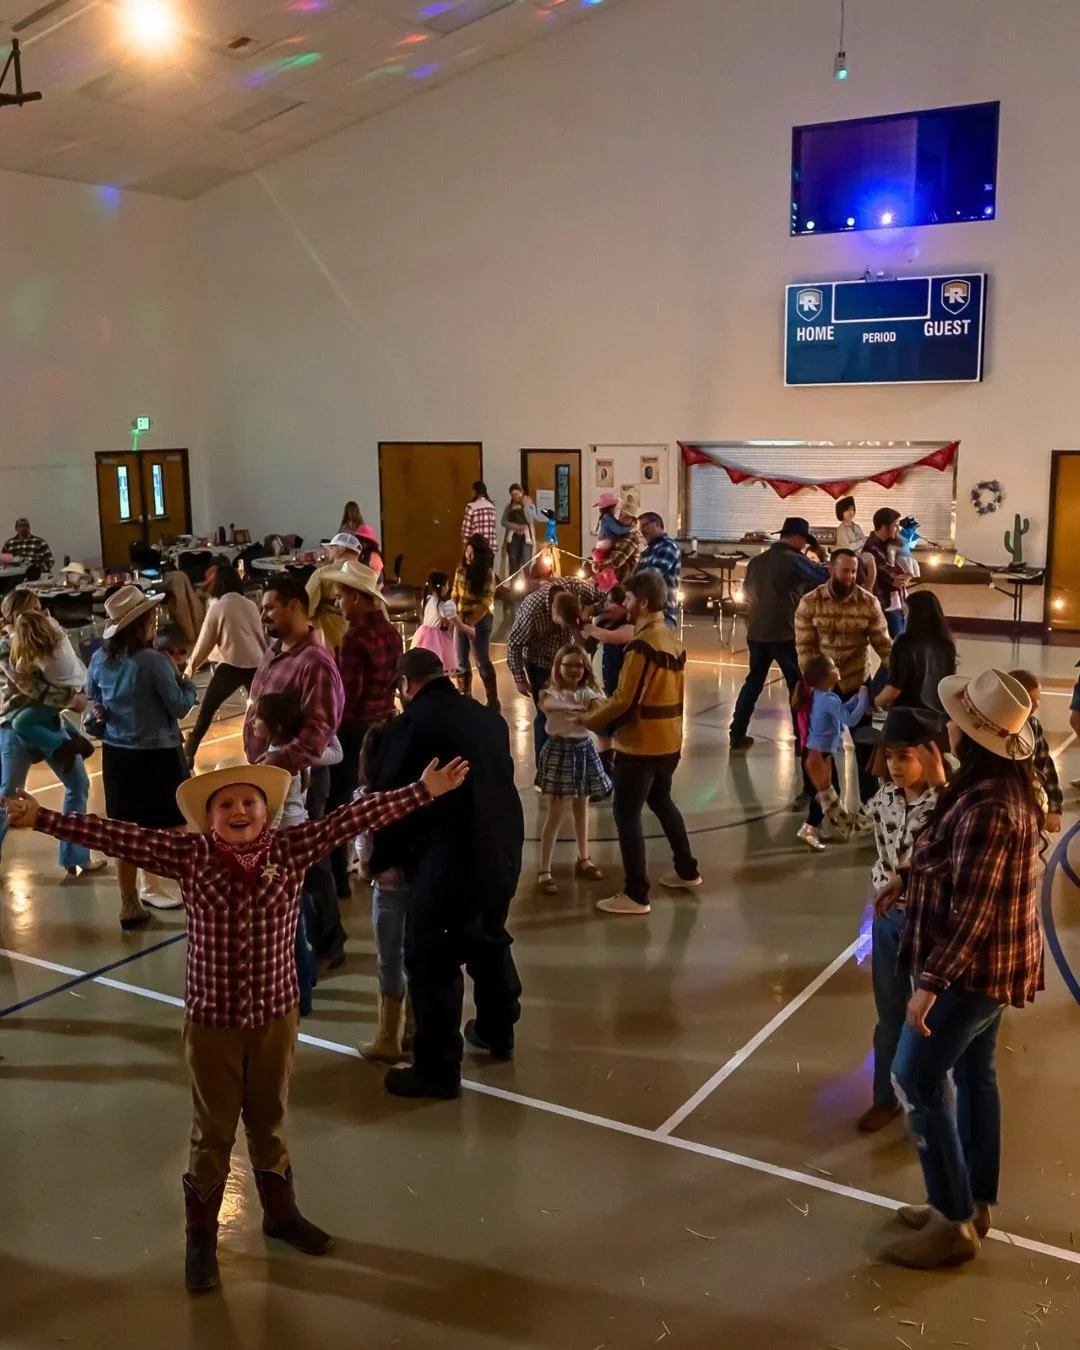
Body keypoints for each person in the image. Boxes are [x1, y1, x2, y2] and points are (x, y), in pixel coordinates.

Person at [3, 754, 467, 1292]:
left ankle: (281, 1214)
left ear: (266, 812)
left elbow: (351, 818)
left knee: (270, 1119)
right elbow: (118, 837)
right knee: (215, 1130)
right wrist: (43, 819)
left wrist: (423, 789)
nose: (240, 810)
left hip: (274, 1016)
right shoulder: (189, 854)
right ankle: (201, 1239)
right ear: (209, 816)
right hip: (212, 1022)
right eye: (226, 804)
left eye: (250, 802)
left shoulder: (290, 850)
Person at [881, 668, 1044, 1269]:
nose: (944, 726)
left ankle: (952, 1223)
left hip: (971, 973)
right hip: (996, 967)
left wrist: (928, 986)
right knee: (976, 1078)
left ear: (971, 735)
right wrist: (908, 877)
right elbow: (962, 870)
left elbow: (972, 912)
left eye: (954, 719)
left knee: (916, 1078)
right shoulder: (992, 790)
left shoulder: (987, 807)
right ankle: (970, 1201)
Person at [366, 647, 524, 1099]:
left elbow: (390, 799)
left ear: (404, 686)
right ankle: (498, 1030)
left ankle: (437, 1070)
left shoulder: (411, 726)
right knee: (488, 935)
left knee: (432, 959)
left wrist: (380, 861)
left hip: (450, 859)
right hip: (503, 847)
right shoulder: (487, 717)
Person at [579, 570, 701, 915]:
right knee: (662, 801)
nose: (625, 604)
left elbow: (622, 699)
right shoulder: (671, 640)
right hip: (670, 741)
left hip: (641, 744)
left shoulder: (641, 646)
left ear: (642, 602)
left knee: (626, 814)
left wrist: (589, 720)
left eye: (629, 599)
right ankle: (687, 870)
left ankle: (636, 893)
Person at [244, 573, 346, 965]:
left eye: (270, 606)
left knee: (309, 859)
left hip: (300, 777)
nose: (264, 614)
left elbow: (320, 731)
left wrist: (277, 761)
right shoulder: (275, 650)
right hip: (270, 771)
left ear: (295, 606)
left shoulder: (315, 663)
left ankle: (329, 941)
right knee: (295, 859)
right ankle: (306, 936)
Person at [87, 584, 197, 927]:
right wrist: (187, 682)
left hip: (118, 755)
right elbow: (179, 707)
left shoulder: (99, 659)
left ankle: (129, 903)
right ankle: (195, 896)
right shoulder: (154, 661)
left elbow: (93, 701)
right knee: (176, 827)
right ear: (143, 623)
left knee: (125, 832)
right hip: (159, 755)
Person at [858, 707, 946, 1133]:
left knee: (928, 1020)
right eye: (890, 755)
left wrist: (944, 786)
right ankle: (884, 1099)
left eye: (905, 756)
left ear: (929, 758)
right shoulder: (883, 799)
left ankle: (932, 1111)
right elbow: (851, 827)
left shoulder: (945, 806)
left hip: (928, 922)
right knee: (889, 1013)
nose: (895, 765)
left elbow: (951, 843)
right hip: (889, 918)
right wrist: (824, 794)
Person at [0, 590, 104, 881]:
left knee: (78, 784)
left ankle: (75, 857)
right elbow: (30, 689)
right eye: (35, 607)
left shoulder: (37, 635)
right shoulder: (7, 647)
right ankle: (75, 856)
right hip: (14, 725)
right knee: (8, 796)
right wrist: (74, 699)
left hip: (44, 719)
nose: (42, 611)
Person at [252, 691, 343, 1018]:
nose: (252, 722)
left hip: (283, 842)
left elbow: (273, 814)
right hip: (303, 832)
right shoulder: (300, 755)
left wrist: (262, 849)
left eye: (258, 717)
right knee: (304, 905)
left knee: (293, 927)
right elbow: (336, 753)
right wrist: (322, 732)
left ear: (275, 724)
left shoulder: (275, 761)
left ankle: (301, 996)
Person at [328, 560, 402, 900]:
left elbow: (348, 693)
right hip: (386, 721)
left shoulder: (354, 638)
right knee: (379, 796)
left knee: (342, 801)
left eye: (341, 597)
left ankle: (342, 877)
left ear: (357, 598)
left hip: (355, 728)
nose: (338, 603)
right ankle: (378, 862)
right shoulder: (390, 632)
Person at [795, 548, 892, 803]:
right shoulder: (810, 602)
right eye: (845, 571)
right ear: (831, 570)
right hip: (823, 686)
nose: (850, 576)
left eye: (854, 572)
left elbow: (883, 644)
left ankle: (871, 802)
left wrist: (895, 675)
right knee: (819, 744)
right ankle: (818, 793)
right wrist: (816, 684)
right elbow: (805, 647)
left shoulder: (868, 603)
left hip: (857, 680)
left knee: (864, 743)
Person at [728, 516, 829, 753]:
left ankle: (737, 733)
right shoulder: (794, 559)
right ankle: (802, 741)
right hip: (784, 633)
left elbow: (747, 596)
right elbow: (824, 577)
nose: (805, 546)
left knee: (753, 683)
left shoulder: (756, 561)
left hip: (756, 632)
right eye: (804, 541)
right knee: (797, 687)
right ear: (797, 538)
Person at [355, 723, 411, 1063]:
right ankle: (415, 1029)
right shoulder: (415, 791)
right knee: (416, 953)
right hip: (419, 884)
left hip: (388, 888)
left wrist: (364, 868)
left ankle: (389, 1036)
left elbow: (364, 845)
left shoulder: (366, 797)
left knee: (390, 959)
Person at [536, 643, 610, 895]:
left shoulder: (588, 692)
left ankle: (584, 858)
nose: (575, 670)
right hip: (560, 750)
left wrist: (594, 707)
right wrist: (576, 710)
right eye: (568, 665)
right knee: (556, 812)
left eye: (579, 665)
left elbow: (601, 706)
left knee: (582, 807)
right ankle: (544, 869)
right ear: (558, 667)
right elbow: (548, 705)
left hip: (583, 749)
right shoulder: (551, 690)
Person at [506, 577, 603, 767]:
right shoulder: (532, 609)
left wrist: (590, 610)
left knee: (576, 703)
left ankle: (568, 763)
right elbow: (514, 643)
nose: (562, 629)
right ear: (552, 610)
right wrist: (519, 678)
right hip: (540, 661)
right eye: (560, 624)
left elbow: (606, 597)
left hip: (568, 660)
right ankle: (545, 769)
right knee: (545, 713)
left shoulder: (579, 588)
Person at [183, 564, 265, 768]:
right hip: (256, 663)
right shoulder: (250, 604)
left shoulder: (218, 607)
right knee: (265, 712)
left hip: (231, 664)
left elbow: (204, 642)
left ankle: (189, 753)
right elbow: (260, 637)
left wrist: (189, 670)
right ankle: (270, 752)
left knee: (208, 709)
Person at [0, 606, 93, 772]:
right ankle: (74, 740)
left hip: (62, 695)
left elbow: (20, 672)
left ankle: (63, 746)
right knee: (31, 716)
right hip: (79, 684)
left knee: (20, 723)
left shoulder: (39, 656)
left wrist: (10, 632)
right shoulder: (58, 637)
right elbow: (47, 618)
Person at [794, 654, 871, 849]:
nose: (838, 669)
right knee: (824, 795)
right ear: (824, 678)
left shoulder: (823, 696)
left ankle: (814, 827)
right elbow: (850, 719)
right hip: (817, 757)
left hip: (817, 754)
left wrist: (854, 699)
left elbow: (842, 710)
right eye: (833, 668)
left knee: (824, 793)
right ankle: (809, 828)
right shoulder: (828, 699)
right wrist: (863, 699)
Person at [875, 590, 956, 716]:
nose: (904, 617)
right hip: (936, 722)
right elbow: (948, 688)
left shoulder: (904, 642)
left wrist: (873, 702)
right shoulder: (946, 645)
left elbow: (893, 690)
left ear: (914, 615)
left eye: (906, 612)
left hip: (906, 721)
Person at [1009, 670, 1063, 834]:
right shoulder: (990, 728)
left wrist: (1055, 808)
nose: (1036, 705)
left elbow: (1045, 765)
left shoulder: (1033, 726)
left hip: (1023, 802)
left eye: (1037, 699)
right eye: (1030, 700)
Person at [451, 534, 499, 710]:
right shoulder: (460, 570)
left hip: (481, 618)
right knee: (460, 660)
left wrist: (471, 621)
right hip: (461, 617)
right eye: (467, 553)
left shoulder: (487, 574)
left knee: (481, 659)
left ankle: (493, 701)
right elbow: (455, 593)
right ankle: (465, 699)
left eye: (472, 554)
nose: (468, 557)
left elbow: (486, 602)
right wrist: (454, 615)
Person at [306, 533, 362, 649]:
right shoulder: (366, 575)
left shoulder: (322, 574)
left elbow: (306, 609)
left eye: (331, 548)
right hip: (361, 639)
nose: (328, 551)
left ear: (341, 549)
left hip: (330, 641)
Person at [860, 507, 910, 639]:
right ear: (883, 526)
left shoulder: (891, 545)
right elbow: (895, 578)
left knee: (900, 644)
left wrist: (908, 574)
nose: (897, 530)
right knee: (895, 645)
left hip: (899, 602)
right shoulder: (872, 548)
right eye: (895, 526)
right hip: (886, 606)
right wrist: (904, 575)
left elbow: (907, 567)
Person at [411, 570, 472, 675]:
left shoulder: (428, 600)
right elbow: (457, 624)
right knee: (439, 665)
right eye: (448, 584)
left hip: (423, 636)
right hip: (437, 639)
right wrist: (470, 630)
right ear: (443, 587)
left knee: (427, 667)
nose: (448, 587)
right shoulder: (442, 606)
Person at [635, 512, 682, 628]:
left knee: (656, 645)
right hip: (645, 611)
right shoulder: (646, 552)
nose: (642, 530)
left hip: (662, 612)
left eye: (645, 525)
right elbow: (635, 578)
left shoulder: (668, 546)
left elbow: (651, 577)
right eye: (640, 527)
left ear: (657, 524)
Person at [501, 484, 542, 578]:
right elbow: (503, 522)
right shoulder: (509, 507)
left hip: (526, 537)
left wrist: (525, 507)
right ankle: (513, 585)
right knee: (513, 560)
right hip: (514, 536)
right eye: (513, 494)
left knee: (526, 561)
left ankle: (527, 585)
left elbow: (530, 520)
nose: (515, 496)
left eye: (517, 494)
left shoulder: (530, 505)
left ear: (521, 493)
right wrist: (516, 526)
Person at [461, 481, 498, 552]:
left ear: (475, 492)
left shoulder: (471, 506)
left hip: (475, 547)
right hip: (490, 547)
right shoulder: (491, 506)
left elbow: (466, 531)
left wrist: (465, 546)